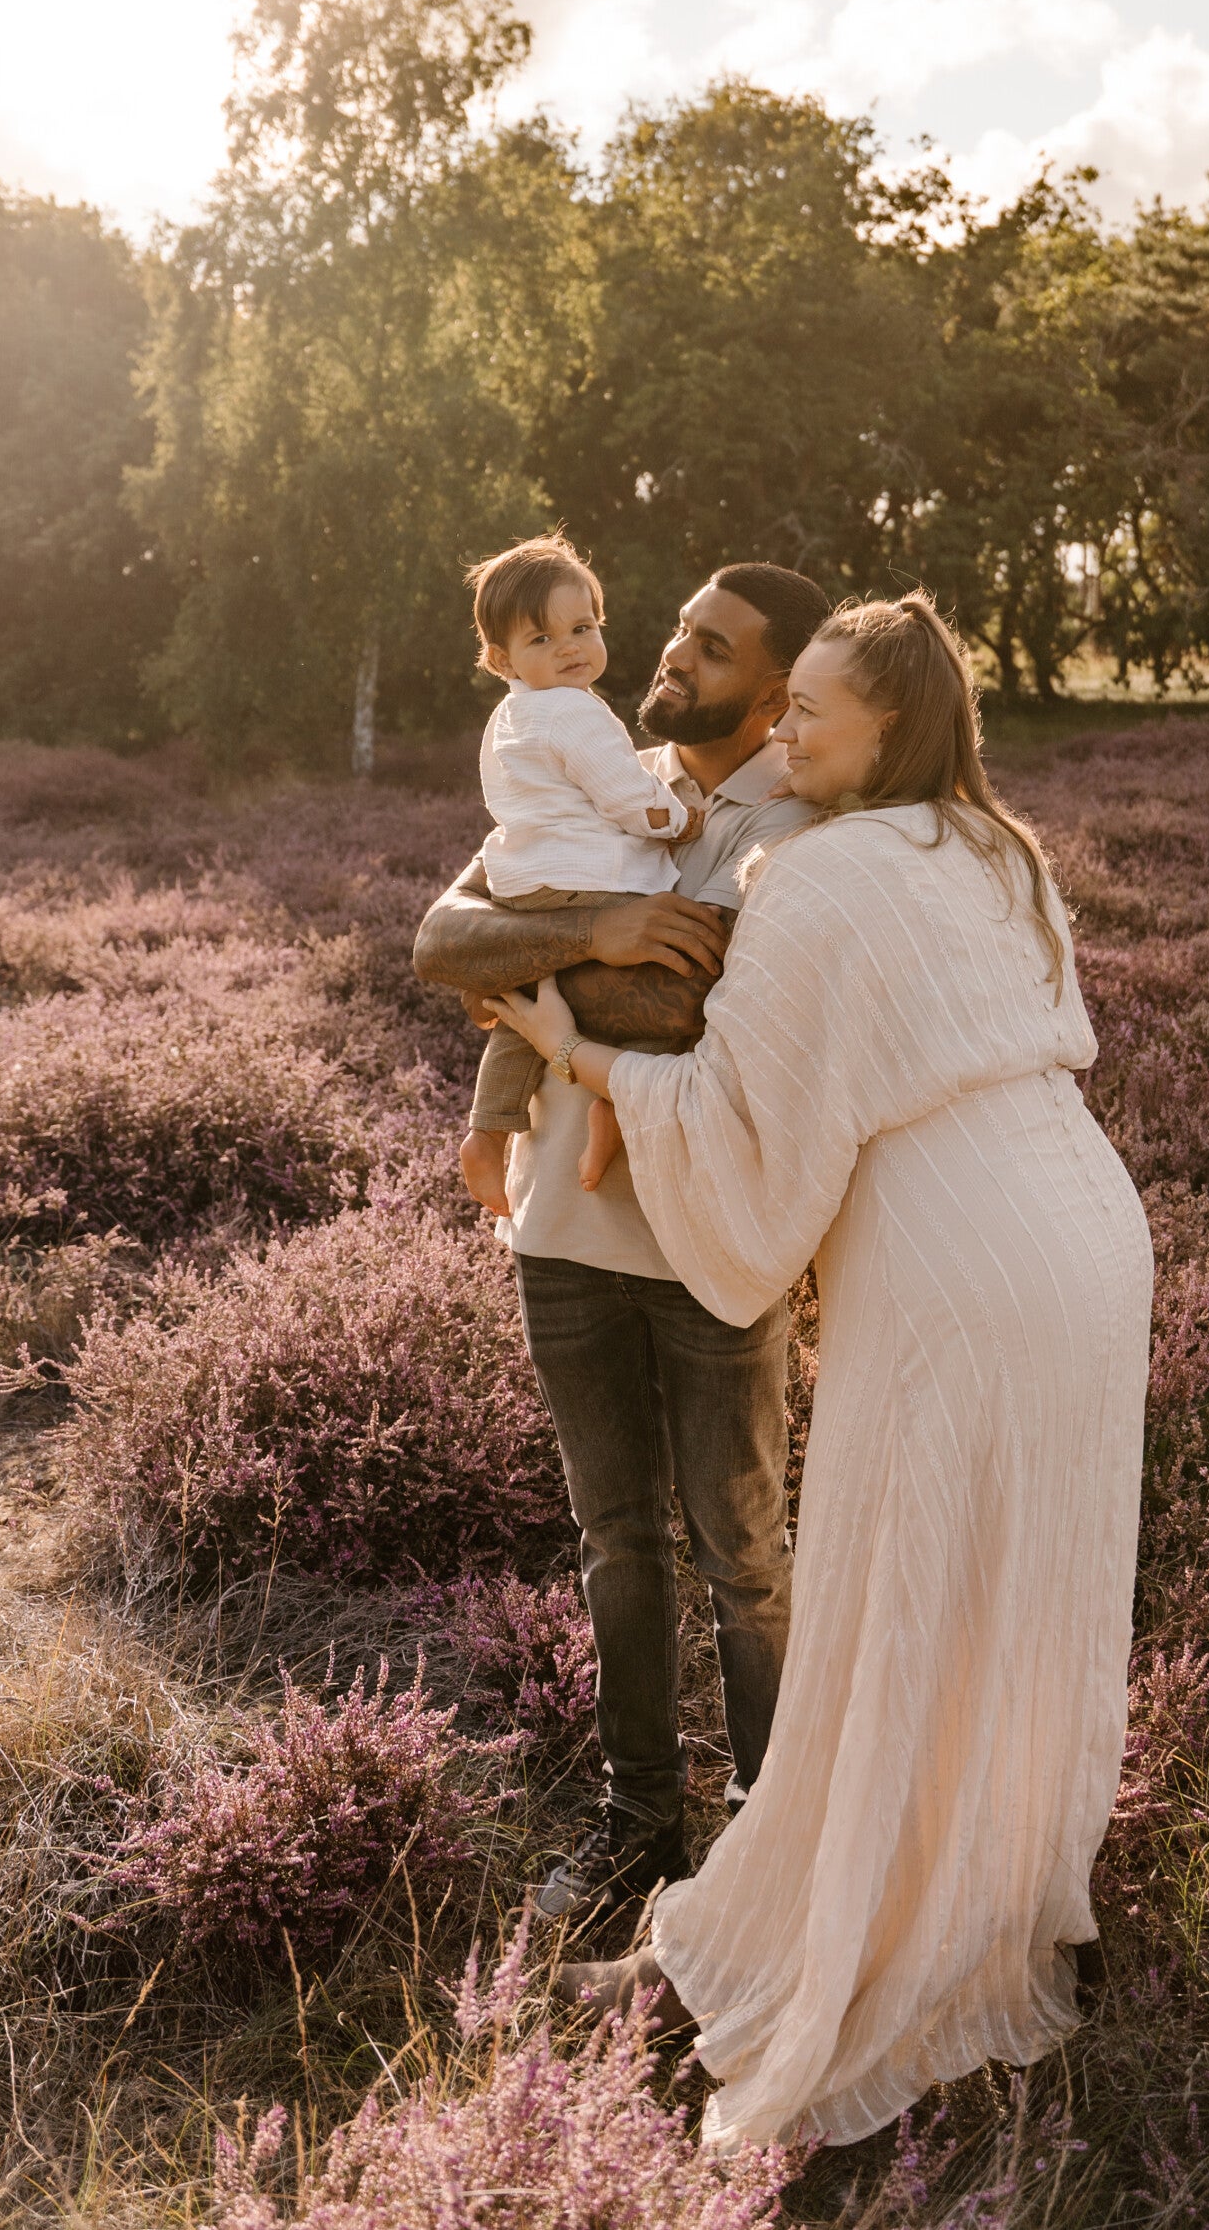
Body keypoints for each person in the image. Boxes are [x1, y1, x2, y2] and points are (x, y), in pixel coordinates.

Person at [489, 592, 1154, 2149]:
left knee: (890, 1601)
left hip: (956, 1263)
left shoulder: (822, 868)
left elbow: (746, 1118)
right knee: (1017, 1593)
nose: (779, 734)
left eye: (810, 714)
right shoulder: (1000, 846)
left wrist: (573, 1052)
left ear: (889, 729)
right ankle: (993, 1903)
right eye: (779, 711)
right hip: (1085, 1229)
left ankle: (810, 1941)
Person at [411, 560, 833, 1926]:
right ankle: (637, 1817)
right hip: (566, 1234)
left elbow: (741, 1027)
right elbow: (442, 937)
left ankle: (765, 1836)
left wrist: (562, 1001)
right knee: (614, 1539)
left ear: (776, 690)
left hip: (716, 1243)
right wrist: (599, 924)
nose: (672, 652)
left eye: (712, 649)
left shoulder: (813, 817)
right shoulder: (591, 757)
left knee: (746, 1554)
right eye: (679, 631)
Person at [460, 533, 702, 1217]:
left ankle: (488, 1129)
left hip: (528, 884)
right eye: (542, 638)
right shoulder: (574, 710)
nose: (570, 646)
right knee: (666, 969)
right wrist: (678, 817)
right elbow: (626, 796)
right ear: (501, 658)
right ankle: (612, 1105)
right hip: (591, 875)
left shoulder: (508, 716)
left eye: (583, 627)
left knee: (531, 1000)